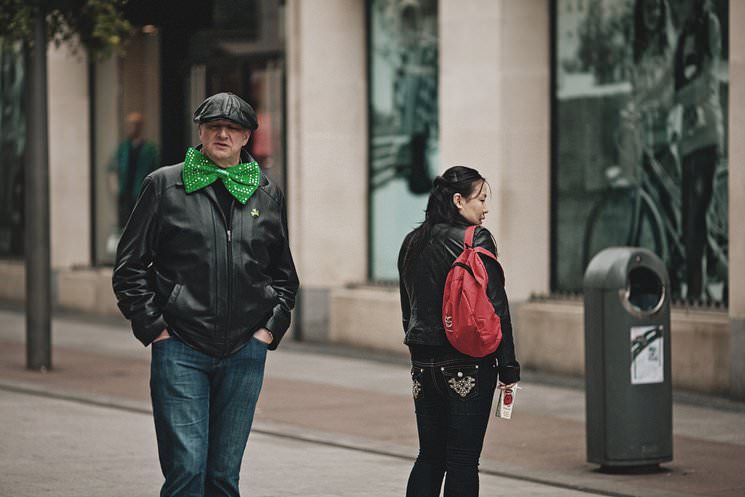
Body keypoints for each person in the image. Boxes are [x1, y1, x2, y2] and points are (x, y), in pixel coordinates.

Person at [112, 92, 299, 497]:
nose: (222, 133)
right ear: (200, 129)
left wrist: (268, 330)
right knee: (187, 473)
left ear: (247, 136)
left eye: (233, 128)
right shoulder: (164, 185)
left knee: (222, 479)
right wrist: (155, 329)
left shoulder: (266, 193)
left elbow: (284, 274)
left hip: (245, 351)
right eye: (214, 125)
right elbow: (129, 267)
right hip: (180, 346)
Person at [397, 166, 520, 497]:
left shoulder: (412, 241)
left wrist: (420, 354)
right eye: (480, 199)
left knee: (429, 457)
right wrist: (508, 366)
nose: (485, 208)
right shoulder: (475, 239)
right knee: (463, 461)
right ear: (458, 201)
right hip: (468, 362)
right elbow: (496, 309)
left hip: (423, 365)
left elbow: (408, 309)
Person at [674, 0, 724, 301]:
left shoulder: (711, 26)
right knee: (689, 220)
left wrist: (682, 97)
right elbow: (677, 86)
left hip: (706, 135)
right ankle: (702, 278)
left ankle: (696, 293)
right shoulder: (685, 34)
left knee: (696, 221)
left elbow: (707, 80)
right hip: (688, 141)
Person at [108, 111, 160, 228]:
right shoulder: (124, 147)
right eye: (131, 124)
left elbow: (155, 168)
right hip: (126, 191)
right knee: (125, 221)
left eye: (136, 124)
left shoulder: (149, 148)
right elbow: (113, 167)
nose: (133, 128)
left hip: (141, 191)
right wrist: (116, 187)